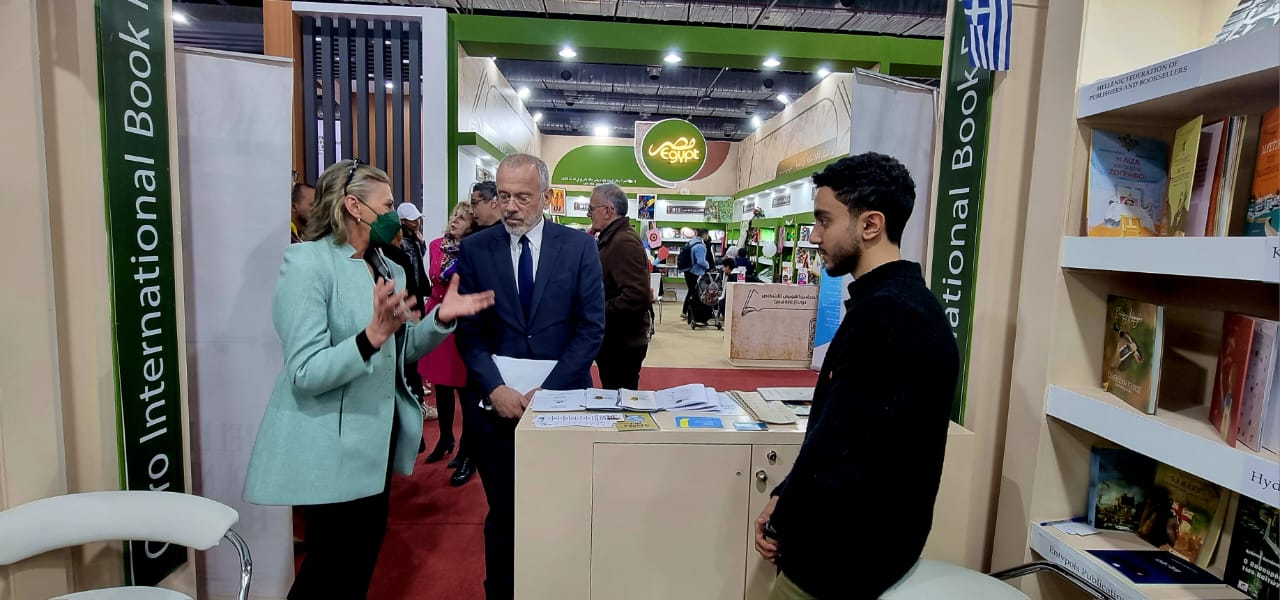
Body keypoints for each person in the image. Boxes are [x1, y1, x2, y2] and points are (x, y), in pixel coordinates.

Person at [244, 159, 495, 599]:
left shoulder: (387, 267)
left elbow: (400, 353)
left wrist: (440, 319)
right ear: (353, 206)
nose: (395, 214)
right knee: (328, 573)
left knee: (358, 566)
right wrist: (371, 337)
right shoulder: (308, 263)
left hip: (376, 446)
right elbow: (304, 372)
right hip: (329, 449)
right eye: (388, 204)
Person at [753, 153, 959, 600]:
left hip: (841, 561)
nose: (814, 236)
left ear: (870, 225)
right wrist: (785, 495)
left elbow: (842, 452)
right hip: (851, 548)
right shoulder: (894, 305)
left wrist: (784, 519)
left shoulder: (891, 316)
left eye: (824, 220)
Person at [455, 153, 605, 599]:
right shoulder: (476, 249)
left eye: (522, 197)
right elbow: (469, 331)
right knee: (504, 513)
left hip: (562, 407)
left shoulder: (578, 247)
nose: (511, 207)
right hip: (496, 410)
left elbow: (590, 328)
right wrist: (495, 388)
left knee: (562, 512)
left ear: (546, 196)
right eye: (503, 196)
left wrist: (551, 392)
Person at [421, 201, 479, 486]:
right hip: (436, 316)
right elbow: (434, 277)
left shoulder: (472, 251)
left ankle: (468, 450)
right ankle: (445, 438)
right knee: (441, 385)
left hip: (460, 320)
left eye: (463, 218)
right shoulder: (436, 245)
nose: (455, 220)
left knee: (465, 388)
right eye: (455, 215)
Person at [588, 183, 652, 390]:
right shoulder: (614, 238)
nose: (589, 214)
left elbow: (636, 296)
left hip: (622, 343)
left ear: (607, 211)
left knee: (620, 398)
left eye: (592, 209)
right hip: (616, 339)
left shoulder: (623, 242)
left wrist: (595, 311)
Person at [681, 228, 712, 325]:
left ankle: (685, 312)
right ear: (705, 235)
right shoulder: (700, 246)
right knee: (696, 293)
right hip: (696, 272)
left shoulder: (691, 242)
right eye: (707, 235)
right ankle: (693, 314)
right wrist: (708, 266)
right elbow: (700, 261)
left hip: (688, 271)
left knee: (691, 291)